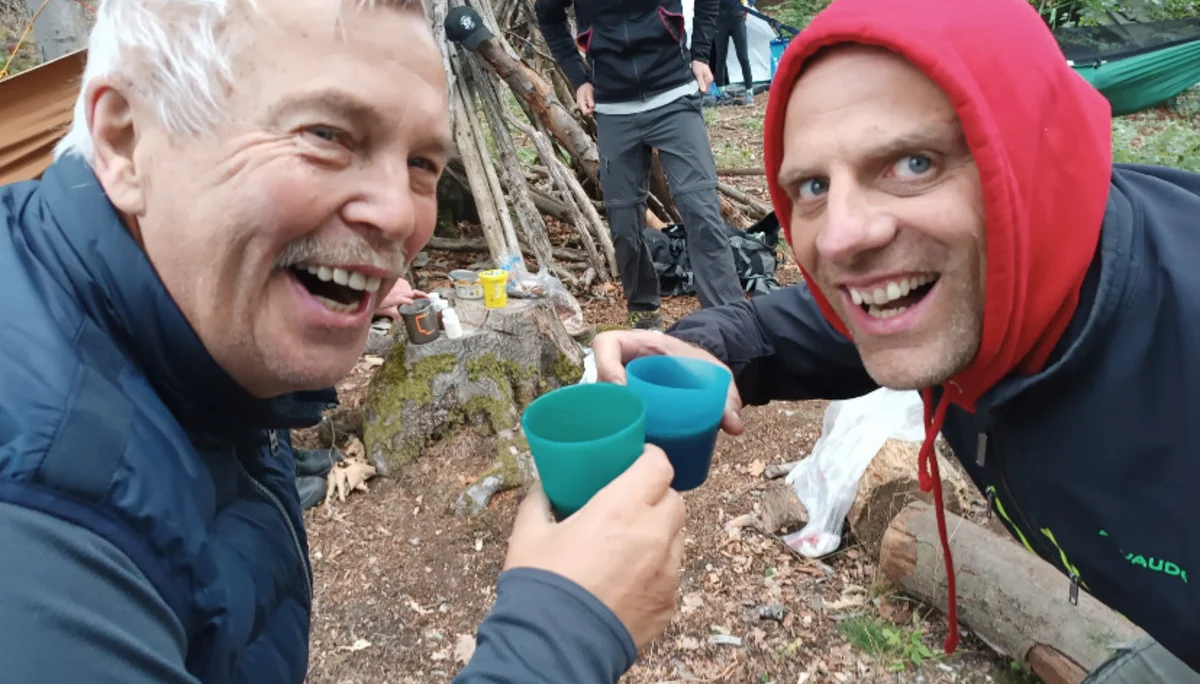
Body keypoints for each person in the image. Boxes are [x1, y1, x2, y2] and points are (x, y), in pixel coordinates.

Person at [0, 1, 686, 682]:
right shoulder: (41, 513)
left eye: (422, 162)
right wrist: (558, 640)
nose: (398, 215)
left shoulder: (193, 356)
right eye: (326, 134)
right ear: (124, 143)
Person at [592, 0, 1200, 679]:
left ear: (1031, 153)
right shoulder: (973, 283)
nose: (843, 235)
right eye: (815, 185)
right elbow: (780, 330)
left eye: (914, 163)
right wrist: (703, 346)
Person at [535, 0, 746, 331]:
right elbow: (547, 13)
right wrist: (579, 78)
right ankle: (645, 314)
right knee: (624, 226)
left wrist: (701, 53)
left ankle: (730, 322)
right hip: (614, 108)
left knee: (701, 209)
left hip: (674, 93)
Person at [713, 0, 754, 106]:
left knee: (743, 57)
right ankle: (722, 93)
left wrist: (749, 5)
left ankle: (749, 92)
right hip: (720, 21)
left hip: (738, 19)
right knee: (720, 58)